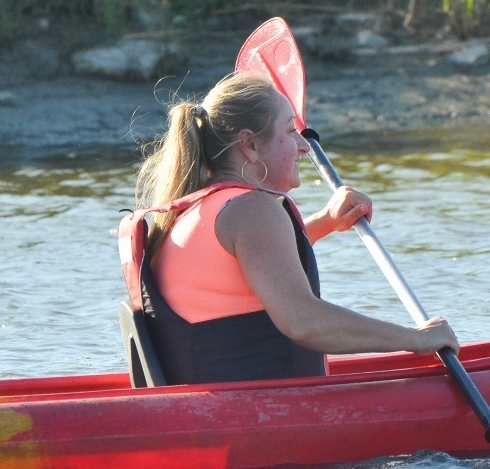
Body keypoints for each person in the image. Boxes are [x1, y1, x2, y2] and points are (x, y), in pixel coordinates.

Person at [130, 73, 458, 385]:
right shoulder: (252, 209)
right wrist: (417, 338)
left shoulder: (196, 209)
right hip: (253, 416)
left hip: (212, 409)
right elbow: (304, 322)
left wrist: (326, 222)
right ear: (250, 145)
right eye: (290, 132)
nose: (304, 146)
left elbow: (250, 269)